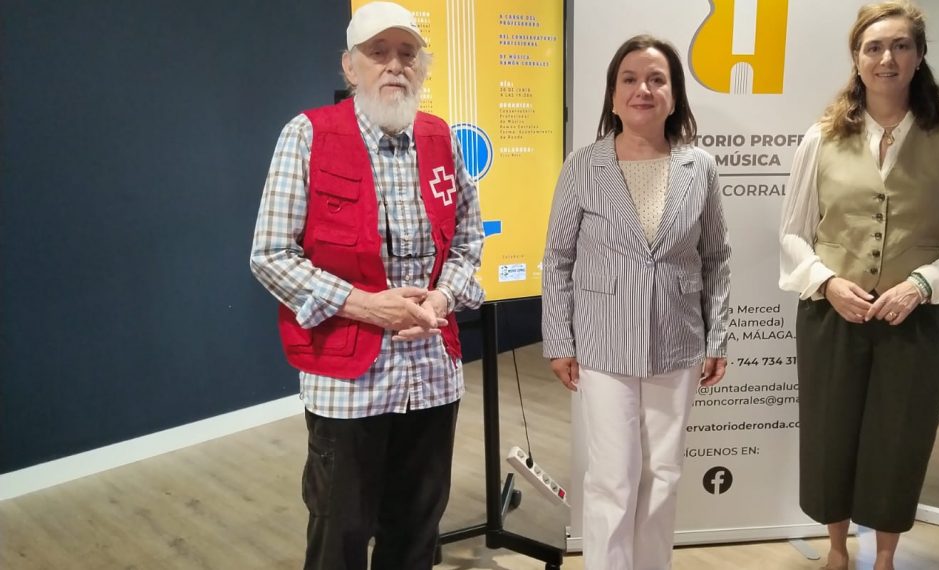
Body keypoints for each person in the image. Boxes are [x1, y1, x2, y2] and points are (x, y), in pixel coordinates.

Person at [249, 2, 484, 568]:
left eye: (407, 54)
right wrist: (368, 307)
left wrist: (441, 298)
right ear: (349, 66)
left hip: (431, 375)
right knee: (341, 536)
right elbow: (271, 255)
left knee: (416, 533)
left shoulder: (441, 139)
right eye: (379, 53)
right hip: (348, 383)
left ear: (422, 67)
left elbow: (468, 243)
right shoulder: (308, 135)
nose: (395, 65)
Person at [778, 2, 939, 569]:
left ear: (919, 56)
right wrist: (827, 283)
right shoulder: (821, 137)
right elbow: (794, 233)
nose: (887, 58)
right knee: (830, 434)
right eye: (873, 47)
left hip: (917, 318)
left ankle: (885, 558)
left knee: (900, 438)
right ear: (857, 58)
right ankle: (836, 550)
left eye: (901, 46)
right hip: (831, 314)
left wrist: (921, 284)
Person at [541, 34, 732, 570]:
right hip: (603, 343)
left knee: (664, 473)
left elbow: (716, 257)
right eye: (629, 79)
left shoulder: (700, 167)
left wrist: (717, 337)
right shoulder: (583, 165)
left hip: (678, 342)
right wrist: (559, 339)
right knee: (612, 477)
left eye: (656, 79)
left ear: (674, 95)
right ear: (612, 94)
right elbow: (557, 258)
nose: (642, 89)